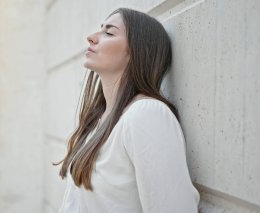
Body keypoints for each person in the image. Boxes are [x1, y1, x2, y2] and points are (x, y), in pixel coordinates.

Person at [53, 7, 200, 213]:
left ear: (136, 51)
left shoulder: (147, 115)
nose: (92, 38)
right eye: (100, 29)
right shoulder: (98, 121)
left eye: (109, 33)